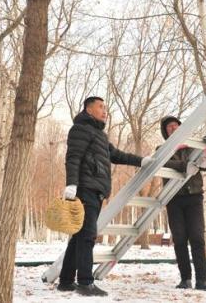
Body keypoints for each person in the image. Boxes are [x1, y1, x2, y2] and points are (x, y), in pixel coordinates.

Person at [58, 96, 152, 296]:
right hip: (86, 188)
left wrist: (141, 161)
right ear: (89, 109)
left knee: (79, 237)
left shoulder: (99, 135)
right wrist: (71, 184)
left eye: (105, 107)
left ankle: (66, 281)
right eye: (100, 107)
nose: (104, 110)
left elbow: (117, 155)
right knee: (87, 237)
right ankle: (85, 283)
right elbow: (73, 157)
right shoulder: (80, 129)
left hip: (96, 190)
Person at [158, 115, 206, 291]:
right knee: (180, 239)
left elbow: (204, 165)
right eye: (170, 127)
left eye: (176, 126)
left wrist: (203, 161)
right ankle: (185, 279)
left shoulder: (192, 147)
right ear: (165, 132)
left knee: (197, 238)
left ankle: (202, 280)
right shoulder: (162, 149)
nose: (174, 129)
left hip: (194, 197)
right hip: (174, 199)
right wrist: (186, 165)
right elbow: (167, 162)